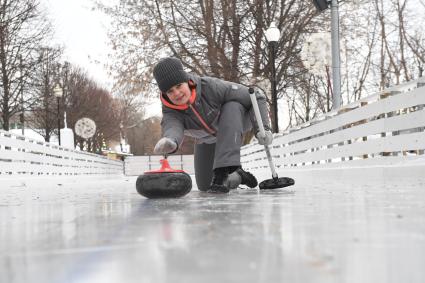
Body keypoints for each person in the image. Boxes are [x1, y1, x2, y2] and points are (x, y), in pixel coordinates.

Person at [152, 57, 273, 193]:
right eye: (170, 91)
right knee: (205, 186)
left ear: (186, 81)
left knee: (232, 105)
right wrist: (171, 140)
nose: (177, 93)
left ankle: (229, 169)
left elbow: (256, 96)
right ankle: (238, 174)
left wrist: (263, 129)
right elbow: (172, 126)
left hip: (234, 123)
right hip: (206, 139)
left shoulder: (211, 87)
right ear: (165, 94)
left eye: (179, 86)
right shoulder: (170, 110)